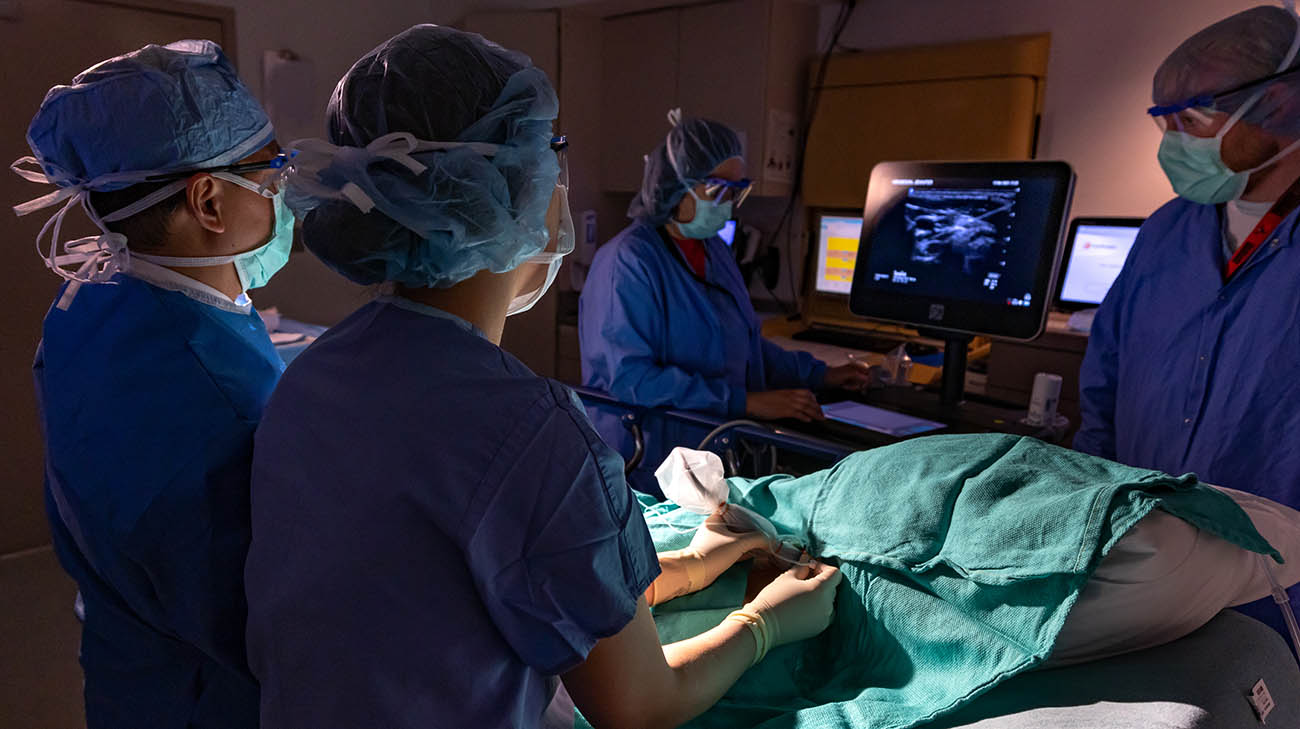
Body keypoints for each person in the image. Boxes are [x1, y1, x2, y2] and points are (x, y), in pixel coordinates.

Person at [243, 25, 841, 729]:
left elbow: (489, 581)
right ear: (502, 189)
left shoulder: (307, 379)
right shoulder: (530, 432)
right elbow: (640, 702)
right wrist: (766, 621)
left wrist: (694, 562)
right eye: (549, 155)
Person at [11, 41, 293, 728]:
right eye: (272, 169)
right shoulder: (216, 401)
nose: (285, 192)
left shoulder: (89, 305)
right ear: (209, 201)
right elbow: (266, 624)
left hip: (129, 676)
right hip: (209, 701)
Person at [1076, 4, 1300, 644]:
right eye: (1163, 121)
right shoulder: (1167, 230)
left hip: (1275, 583)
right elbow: (1105, 381)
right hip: (1146, 564)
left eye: (1193, 117)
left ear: (1278, 103)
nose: (1173, 139)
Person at [579, 115, 870, 491]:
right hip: (649, 463)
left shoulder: (714, 251)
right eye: (717, 189)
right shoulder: (627, 262)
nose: (729, 204)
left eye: (736, 190)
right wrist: (744, 403)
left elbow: (743, 345)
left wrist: (820, 374)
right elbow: (631, 380)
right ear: (675, 186)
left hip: (714, 453)